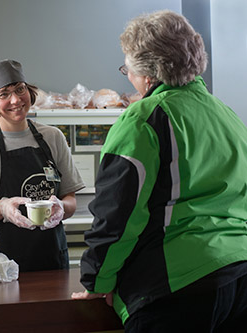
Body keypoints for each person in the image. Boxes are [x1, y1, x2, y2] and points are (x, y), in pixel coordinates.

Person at [72, 10, 247, 332]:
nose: (128, 76)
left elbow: (118, 214)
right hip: (239, 273)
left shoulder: (144, 118)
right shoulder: (226, 114)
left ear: (148, 73)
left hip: (178, 284)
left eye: (128, 68)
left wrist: (97, 280)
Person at [0, 59, 85, 272]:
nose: (15, 99)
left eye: (20, 89)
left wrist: (61, 208)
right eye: (3, 94)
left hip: (51, 260)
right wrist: (2, 208)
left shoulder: (53, 137)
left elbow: (70, 199)